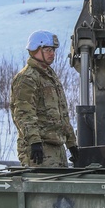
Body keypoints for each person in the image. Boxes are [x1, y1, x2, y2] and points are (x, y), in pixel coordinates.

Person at [11, 30, 79, 167]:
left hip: (57, 148)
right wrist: (34, 141)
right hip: (39, 149)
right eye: (48, 50)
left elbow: (62, 114)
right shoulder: (27, 78)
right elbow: (23, 113)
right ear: (35, 49)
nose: (52, 54)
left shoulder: (50, 76)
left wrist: (71, 143)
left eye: (53, 50)